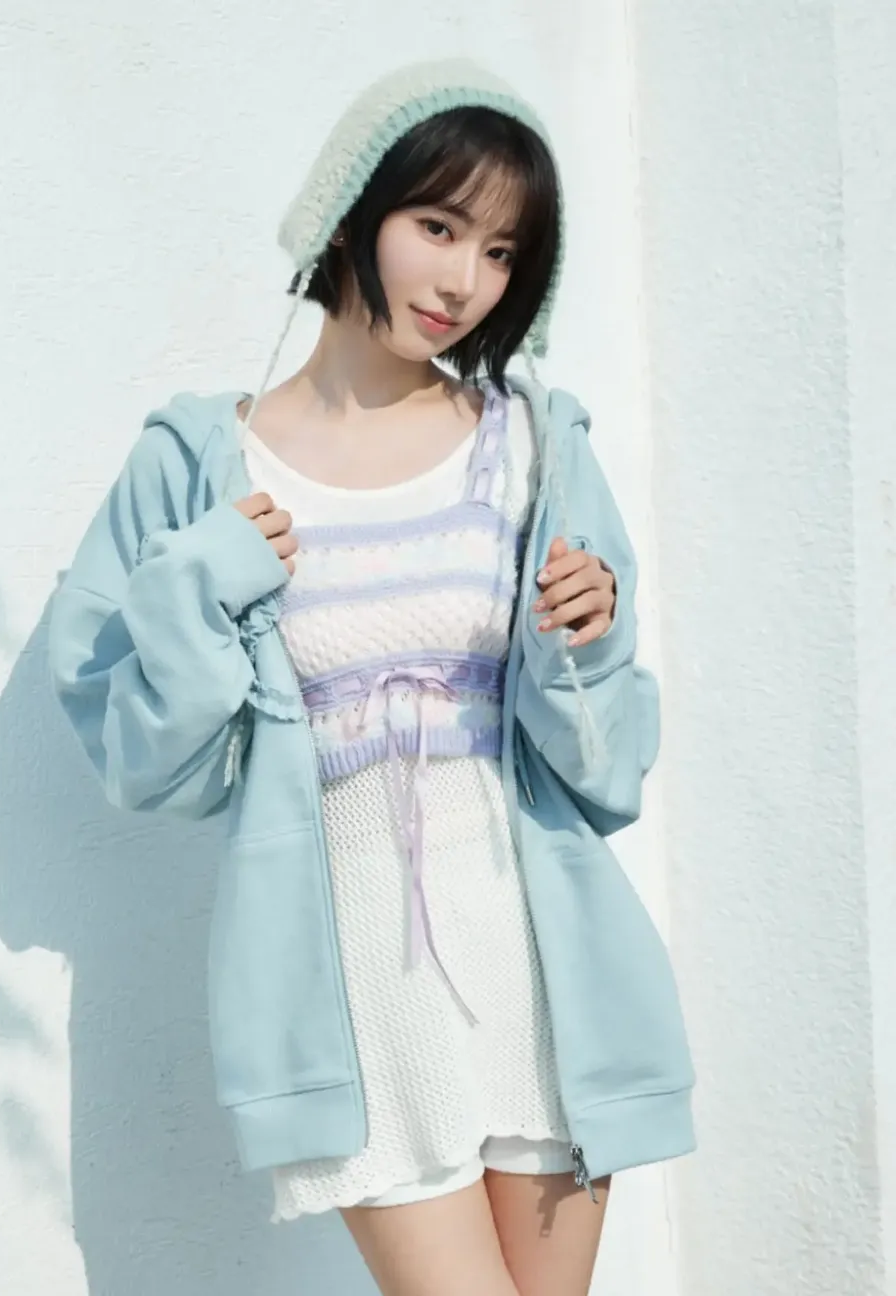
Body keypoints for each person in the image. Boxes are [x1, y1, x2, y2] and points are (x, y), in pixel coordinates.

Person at [48, 57, 695, 1296]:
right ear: (350, 210)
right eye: (437, 227)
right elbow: (140, 758)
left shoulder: (534, 443)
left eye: (501, 252)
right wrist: (199, 585)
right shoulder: (202, 463)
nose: (463, 283)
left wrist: (585, 640)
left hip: (540, 962)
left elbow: (605, 771)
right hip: (352, 986)